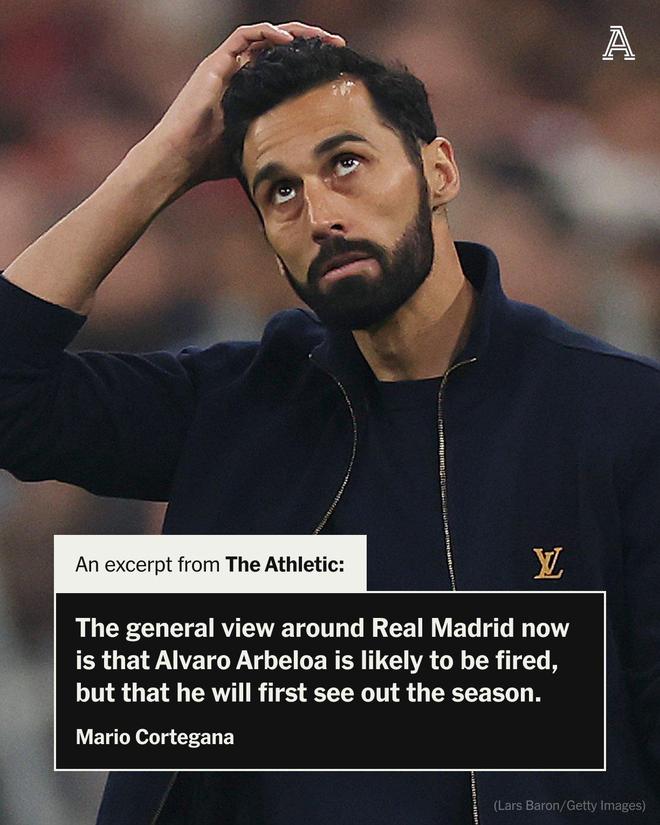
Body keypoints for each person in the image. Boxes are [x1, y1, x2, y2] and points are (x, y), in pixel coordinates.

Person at [0, 19, 658, 825]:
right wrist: (161, 165)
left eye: (346, 162)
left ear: (439, 170)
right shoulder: (237, 406)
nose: (318, 213)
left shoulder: (619, 416)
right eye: (279, 190)